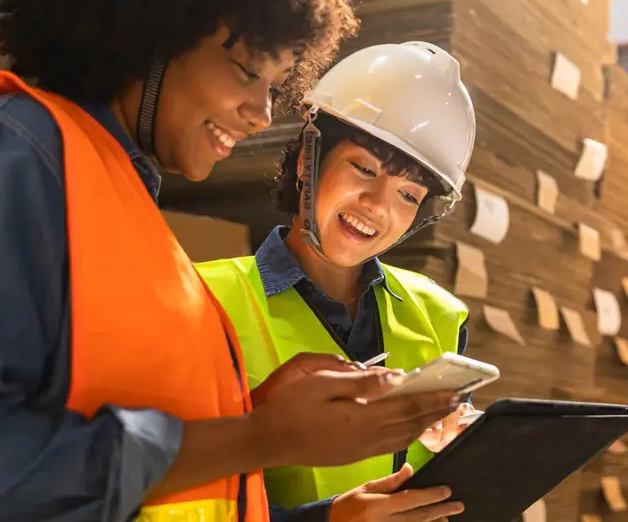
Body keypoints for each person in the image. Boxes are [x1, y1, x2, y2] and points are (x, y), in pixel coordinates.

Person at [0, 0, 463, 521]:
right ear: (145, 31)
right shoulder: (7, 150)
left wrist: (293, 471)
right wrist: (262, 437)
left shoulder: (119, 199)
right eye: (246, 71)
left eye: (276, 84)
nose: (263, 113)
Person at [195, 40, 479, 520]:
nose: (378, 205)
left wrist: (472, 445)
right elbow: (176, 495)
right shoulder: (204, 299)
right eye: (364, 168)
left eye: (408, 195)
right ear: (309, 160)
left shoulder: (439, 315)